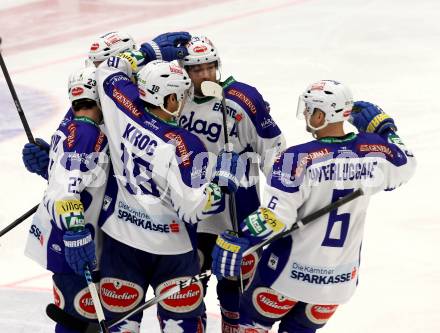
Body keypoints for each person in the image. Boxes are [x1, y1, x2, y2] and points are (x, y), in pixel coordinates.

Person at [211, 80, 417, 332]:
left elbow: (275, 218)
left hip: (286, 276)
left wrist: (241, 237)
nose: (306, 114)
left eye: (309, 109)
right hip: (337, 281)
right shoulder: (374, 151)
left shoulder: (297, 158)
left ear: (321, 114)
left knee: (248, 324)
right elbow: (407, 164)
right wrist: (386, 129)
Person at [144, 35, 285, 333]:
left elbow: (274, 150)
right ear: (183, 70)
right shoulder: (173, 97)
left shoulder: (243, 99)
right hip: (190, 210)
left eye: (210, 67)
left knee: (235, 287)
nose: (205, 75)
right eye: (197, 70)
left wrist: (285, 201)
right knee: (188, 288)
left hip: (237, 209)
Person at [95, 51, 242, 333]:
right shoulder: (185, 144)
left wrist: (145, 52)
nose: (186, 100)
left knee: (120, 326)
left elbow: (108, 70)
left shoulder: (123, 108)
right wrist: (221, 182)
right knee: (182, 325)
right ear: (170, 100)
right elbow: (193, 207)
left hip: (121, 241)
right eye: (182, 95)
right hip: (170, 249)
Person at [24, 66, 110, 333]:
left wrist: (49, 165)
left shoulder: (73, 123)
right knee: (78, 318)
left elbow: (69, 177)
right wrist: (75, 232)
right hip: (75, 239)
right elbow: (65, 189)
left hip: (64, 234)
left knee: (77, 315)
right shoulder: (88, 133)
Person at [21, 30, 138, 177]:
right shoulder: (89, 102)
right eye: (95, 67)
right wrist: (50, 162)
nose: (98, 76)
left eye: (103, 68)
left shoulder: (147, 99)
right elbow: (71, 172)